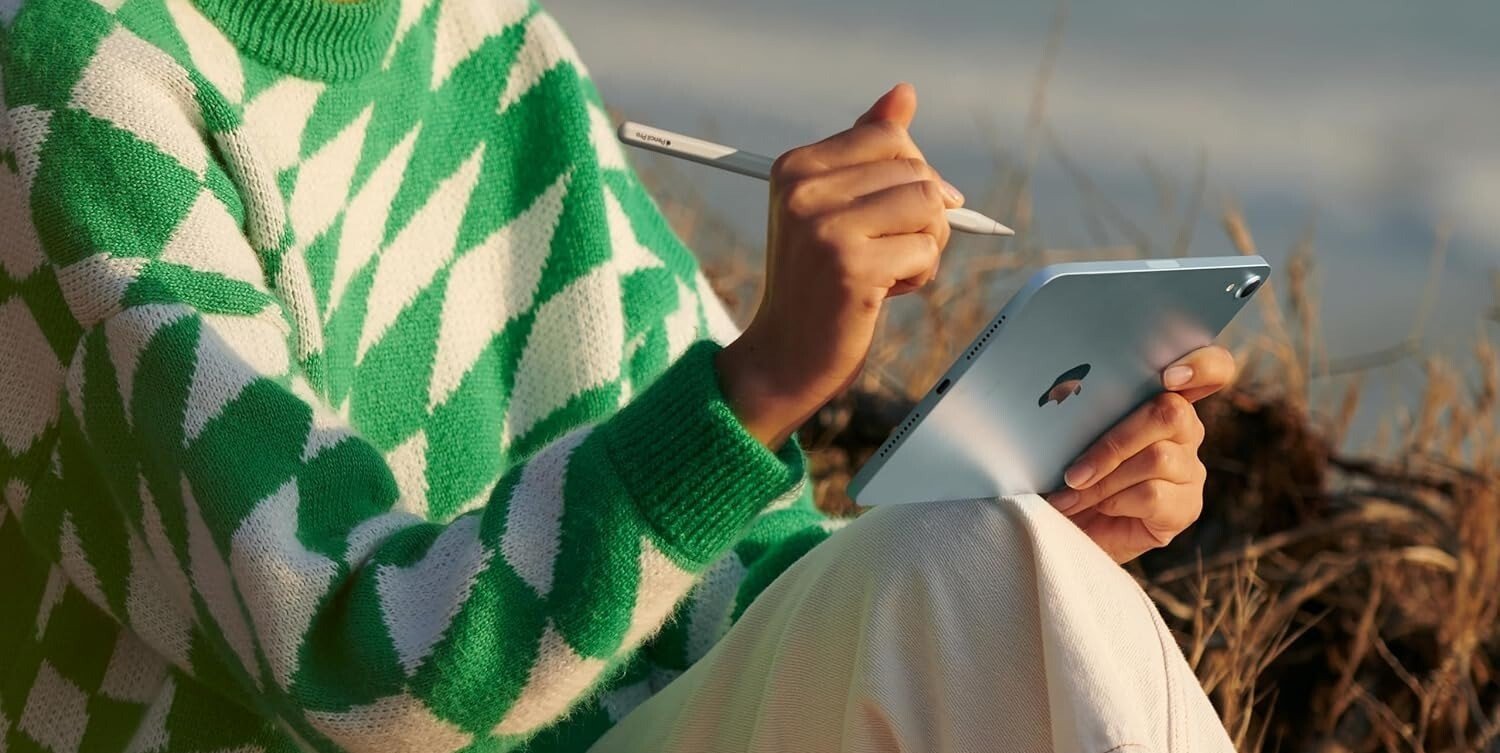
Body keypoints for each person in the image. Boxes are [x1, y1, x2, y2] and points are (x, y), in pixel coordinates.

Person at [0, 0, 1238, 750]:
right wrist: (755, 384)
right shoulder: (78, 79)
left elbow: (725, 575)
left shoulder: (488, 37)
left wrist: (1041, 535)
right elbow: (360, 676)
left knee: (983, 562)